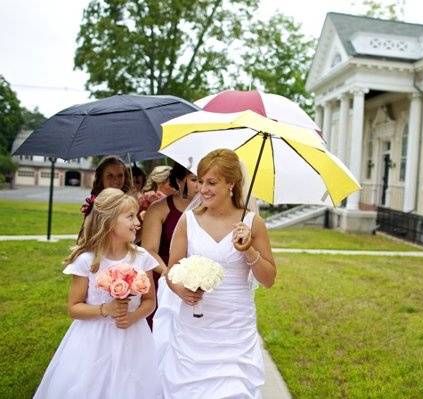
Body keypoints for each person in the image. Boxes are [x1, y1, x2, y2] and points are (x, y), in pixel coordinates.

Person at [154, 148, 276, 399]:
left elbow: (269, 279)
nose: (202, 189)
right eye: (200, 181)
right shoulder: (189, 221)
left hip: (235, 330)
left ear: (231, 183)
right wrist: (181, 290)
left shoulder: (252, 224)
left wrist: (249, 250)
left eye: (211, 182)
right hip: (194, 329)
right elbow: (171, 270)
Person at [34, 188, 161, 399]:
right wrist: (106, 309)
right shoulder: (87, 261)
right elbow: (74, 308)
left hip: (133, 338)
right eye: (130, 216)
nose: (138, 222)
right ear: (110, 222)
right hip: (92, 341)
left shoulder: (141, 257)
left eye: (137, 215)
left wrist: (131, 317)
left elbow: (149, 302)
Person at [141, 162, 200, 329]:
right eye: (194, 179)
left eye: (203, 180)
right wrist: (170, 275)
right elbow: (148, 250)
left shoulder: (208, 211)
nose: (200, 186)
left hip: (197, 282)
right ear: (179, 181)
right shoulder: (159, 209)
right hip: (162, 276)